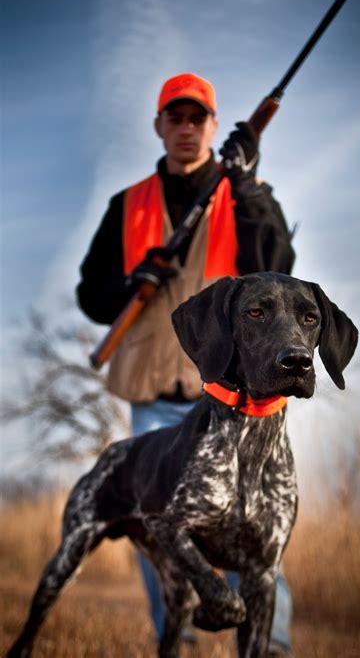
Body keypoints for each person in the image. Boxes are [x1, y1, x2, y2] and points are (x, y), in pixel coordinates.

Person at [77, 73, 295, 655]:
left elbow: (278, 263)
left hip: (232, 395)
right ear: (159, 126)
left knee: (259, 524)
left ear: (214, 127)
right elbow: (90, 296)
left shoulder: (242, 194)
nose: (186, 128)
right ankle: (180, 644)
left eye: (197, 118)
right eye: (175, 117)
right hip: (153, 395)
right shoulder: (126, 205)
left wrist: (248, 184)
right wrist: (132, 280)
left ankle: (270, 643)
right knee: (164, 531)